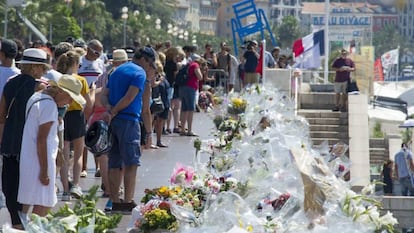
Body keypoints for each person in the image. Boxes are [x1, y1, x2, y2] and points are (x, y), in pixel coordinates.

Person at [18, 74, 85, 218]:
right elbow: (42, 139)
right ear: (61, 92)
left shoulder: (37, 96)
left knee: (30, 202)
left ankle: (24, 224)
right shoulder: (49, 106)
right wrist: (44, 170)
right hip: (41, 160)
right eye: (70, 97)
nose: (70, 101)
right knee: (44, 204)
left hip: (30, 157)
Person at [101, 46, 156, 213]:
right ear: (145, 60)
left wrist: (110, 109)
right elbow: (130, 97)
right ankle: (127, 201)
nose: (150, 66)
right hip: (129, 120)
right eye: (150, 62)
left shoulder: (116, 71)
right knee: (131, 163)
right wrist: (148, 132)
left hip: (114, 122)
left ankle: (114, 200)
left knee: (114, 162)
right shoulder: (139, 74)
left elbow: (103, 94)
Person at [0, 48, 50, 229]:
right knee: (26, 183)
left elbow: (1, 115)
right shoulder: (40, 87)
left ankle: (16, 221)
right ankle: (23, 224)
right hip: (28, 141)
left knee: (10, 184)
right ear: (36, 68)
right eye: (42, 68)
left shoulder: (10, 84)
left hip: (9, 140)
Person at [56, 50, 94, 200]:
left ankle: (65, 189)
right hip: (77, 116)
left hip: (62, 115)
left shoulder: (59, 78)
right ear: (75, 64)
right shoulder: (81, 80)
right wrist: (93, 92)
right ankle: (76, 185)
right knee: (78, 153)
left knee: (64, 154)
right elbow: (89, 104)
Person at [178, 57, 207, 137]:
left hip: (182, 87)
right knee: (191, 109)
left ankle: (183, 129)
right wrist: (201, 72)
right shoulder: (195, 65)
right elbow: (200, 77)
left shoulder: (188, 65)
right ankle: (189, 130)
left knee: (184, 109)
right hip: (190, 88)